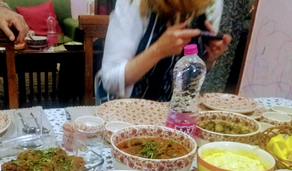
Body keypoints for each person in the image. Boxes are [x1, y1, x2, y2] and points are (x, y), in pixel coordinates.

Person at [97, 0, 231, 103]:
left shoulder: (210, 4)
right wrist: (158, 50)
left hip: (174, 113)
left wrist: (208, 58)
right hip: (125, 112)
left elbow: (192, 76)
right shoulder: (136, 3)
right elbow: (110, 81)